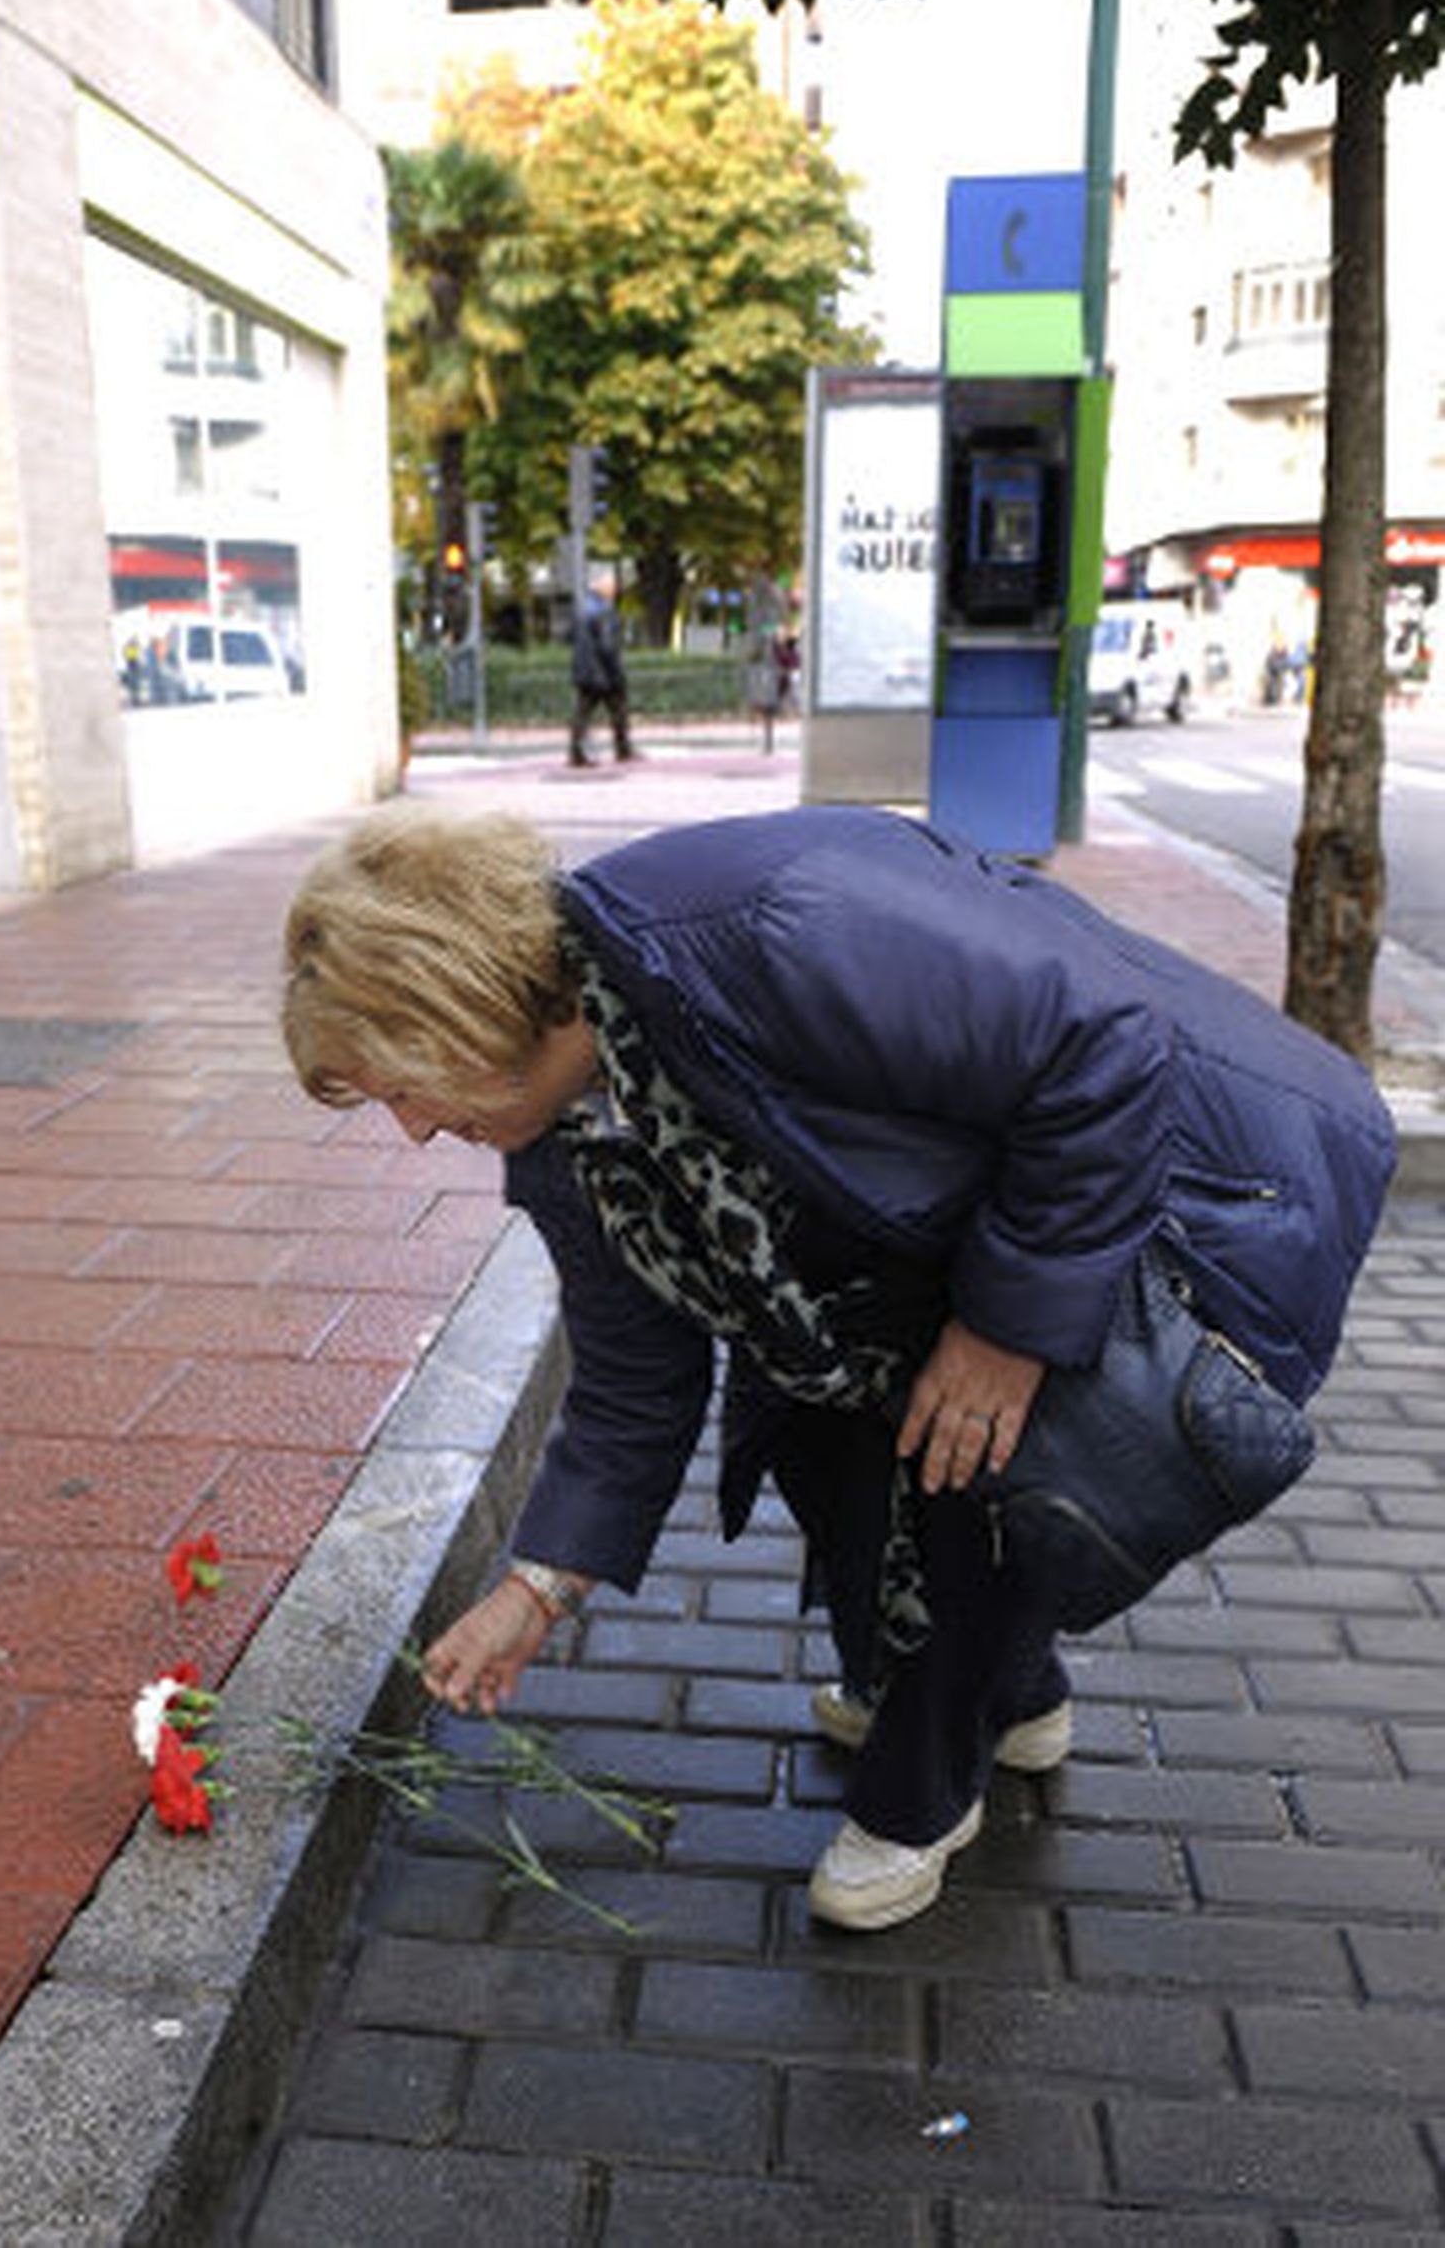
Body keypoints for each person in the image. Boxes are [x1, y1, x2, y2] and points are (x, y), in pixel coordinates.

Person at [280, 803, 1395, 1932]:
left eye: (401, 1087)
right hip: (963, 1234)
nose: (413, 1130)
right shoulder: (566, 1146)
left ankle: (922, 1794)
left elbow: (1101, 1048)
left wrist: (1006, 1331)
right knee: (805, 1425)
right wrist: (536, 1590)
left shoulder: (780, 923)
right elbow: (633, 1381)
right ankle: (1013, 1699)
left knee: (968, 1463)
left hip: (1202, 1189)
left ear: (461, 1008)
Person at [568, 580, 632, 766]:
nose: (615, 591)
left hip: (584, 670)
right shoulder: (605, 611)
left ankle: (577, 752)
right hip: (603, 672)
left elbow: (571, 638)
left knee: (582, 714)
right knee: (618, 711)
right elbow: (607, 645)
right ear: (606, 591)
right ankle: (623, 750)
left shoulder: (582, 610)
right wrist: (617, 672)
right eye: (612, 588)